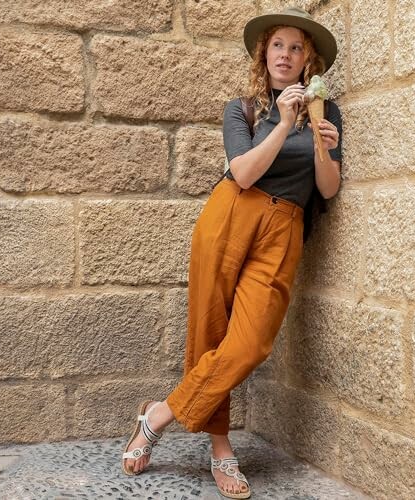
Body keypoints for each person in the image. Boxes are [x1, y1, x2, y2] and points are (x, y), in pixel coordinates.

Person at [121, 6, 342, 499]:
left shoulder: (327, 111)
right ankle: (222, 449)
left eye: (296, 47)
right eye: (277, 45)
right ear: (264, 53)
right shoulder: (242, 108)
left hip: (285, 226)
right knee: (209, 333)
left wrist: (323, 144)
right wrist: (284, 124)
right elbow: (242, 173)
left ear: (309, 61)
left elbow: (327, 189)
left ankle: (157, 414)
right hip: (230, 215)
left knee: (250, 342)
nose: (285, 54)